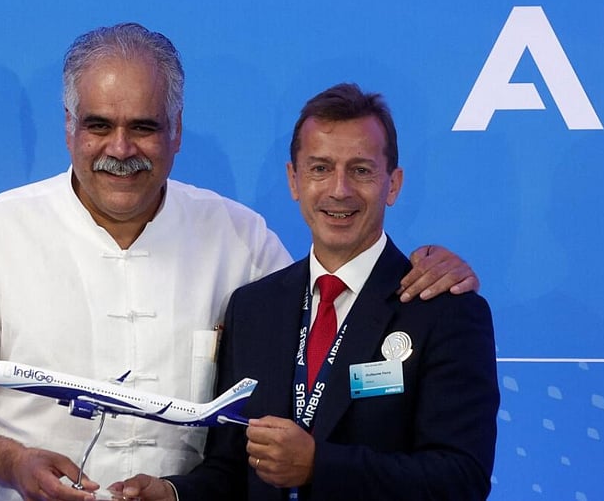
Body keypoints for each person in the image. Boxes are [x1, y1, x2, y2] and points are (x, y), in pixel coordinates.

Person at [0, 24, 479, 501]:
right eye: (99, 124)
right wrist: (12, 464)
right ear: (69, 130)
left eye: (145, 127)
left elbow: (337, 307)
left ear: (177, 132)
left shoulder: (239, 238)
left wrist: (423, 266)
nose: (120, 149)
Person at [118, 83, 499, 500]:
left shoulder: (445, 312)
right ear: (294, 180)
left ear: (393, 184)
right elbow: (231, 468)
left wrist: (319, 464)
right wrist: (172, 494)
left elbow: (462, 478)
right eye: (320, 168)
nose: (339, 190)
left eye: (361, 170)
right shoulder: (253, 308)